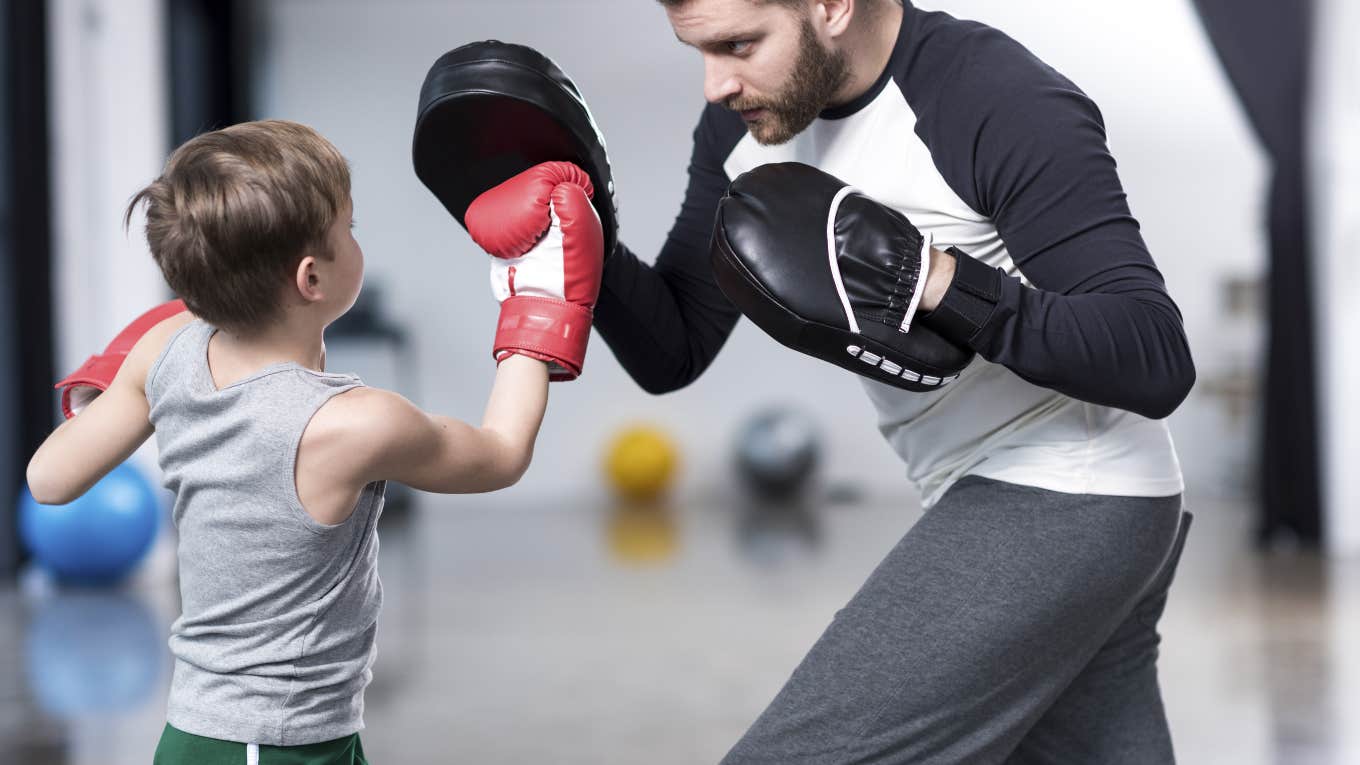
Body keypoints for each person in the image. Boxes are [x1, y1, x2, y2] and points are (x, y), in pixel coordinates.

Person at [586, 0, 1197, 761]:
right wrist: (587, 238)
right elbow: (672, 350)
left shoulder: (994, 97)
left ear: (831, 6)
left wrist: (935, 280)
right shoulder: (745, 120)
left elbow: (1153, 353)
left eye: (739, 44)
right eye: (701, 52)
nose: (716, 84)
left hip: (1072, 484)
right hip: (1012, 490)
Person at [25, 120, 604, 764]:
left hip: (225, 730)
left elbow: (49, 480)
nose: (358, 240)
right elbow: (500, 453)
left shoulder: (166, 353)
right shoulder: (353, 424)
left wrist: (124, 372)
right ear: (311, 279)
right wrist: (541, 296)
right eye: (349, 230)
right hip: (271, 746)